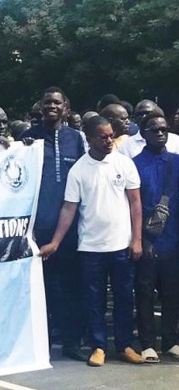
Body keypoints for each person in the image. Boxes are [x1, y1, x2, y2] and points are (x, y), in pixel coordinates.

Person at [39, 116, 144, 367]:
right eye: (103, 137)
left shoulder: (124, 163)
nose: (109, 141)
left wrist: (137, 239)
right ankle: (99, 346)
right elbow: (69, 209)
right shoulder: (78, 170)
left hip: (121, 245)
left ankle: (124, 345)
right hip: (90, 248)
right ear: (89, 138)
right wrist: (55, 242)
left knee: (123, 298)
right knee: (94, 301)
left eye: (111, 136)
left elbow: (135, 203)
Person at [21, 87, 86, 360]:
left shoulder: (77, 139)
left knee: (72, 285)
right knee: (43, 287)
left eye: (57, 103)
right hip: (40, 225)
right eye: (47, 102)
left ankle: (72, 343)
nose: (52, 106)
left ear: (65, 108)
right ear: (40, 106)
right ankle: (42, 345)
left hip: (71, 227)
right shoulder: (28, 138)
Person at [132, 113, 179, 362]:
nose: (160, 133)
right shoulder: (134, 164)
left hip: (174, 239)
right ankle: (148, 343)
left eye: (163, 129)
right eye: (154, 130)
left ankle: (171, 341)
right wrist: (141, 239)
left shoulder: (177, 162)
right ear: (143, 134)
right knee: (145, 293)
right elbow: (132, 206)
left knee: (172, 293)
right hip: (147, 240)